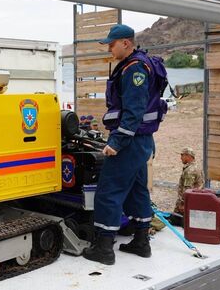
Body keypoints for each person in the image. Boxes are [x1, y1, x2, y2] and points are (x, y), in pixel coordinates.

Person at [82, 24, 165, 265]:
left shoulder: (133, 68)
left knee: (109, 191)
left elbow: (134, 111)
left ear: (126, 43)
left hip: (129, 141)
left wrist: (116, 142)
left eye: (112, 44)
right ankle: (141, 242)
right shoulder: (141, 63)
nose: (109, 48)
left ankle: (104, 249)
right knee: (137, 190)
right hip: (141, 141)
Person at [173, 147, 204, 214]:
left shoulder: (190, 171)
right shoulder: (196, 167)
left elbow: (187, 190)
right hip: (194, 202)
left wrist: (183, 204)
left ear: (188, 156)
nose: (181, 158)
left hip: (188, 204)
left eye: (182, 155)